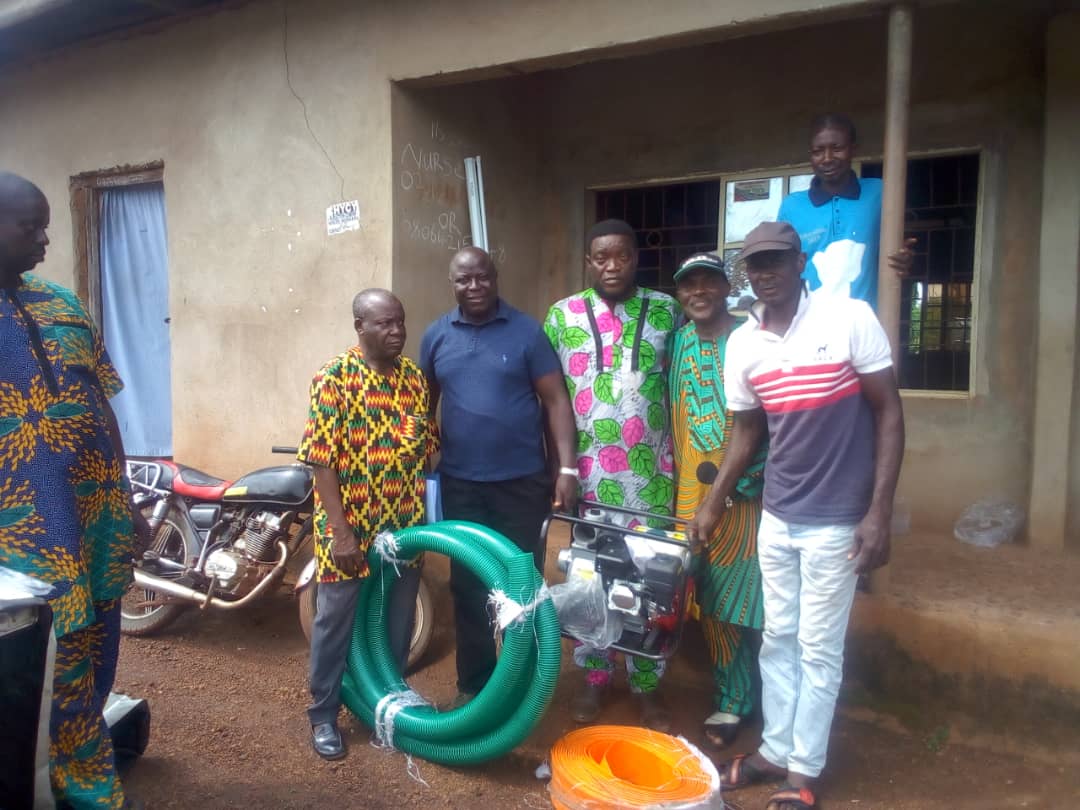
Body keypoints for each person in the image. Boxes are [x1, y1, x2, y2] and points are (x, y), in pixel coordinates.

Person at [687, 222, 904, 810]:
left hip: (838, 518)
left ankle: (803, 770)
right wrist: (712, 505)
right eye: (755, 264)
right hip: (777, 516)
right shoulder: (744, 345)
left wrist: (879, 511)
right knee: (777, 638)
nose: (766, 272)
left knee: (817, 645)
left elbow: (888, 414)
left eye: (777, 261)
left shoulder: (847, 318)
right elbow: (747, 431)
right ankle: (775, 750)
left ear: (799, 261)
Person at [0, 172, 147, 809]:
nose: (45, 238)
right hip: (22, 537)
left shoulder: (61, 302)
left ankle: (82, 778)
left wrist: (128, 497)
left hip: (96, 517)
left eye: (45, 223)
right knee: (35, 665)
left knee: (93, 654)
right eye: (30, 225)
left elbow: (100, 401)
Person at [420, 247, 578, 704]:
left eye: (481, 278)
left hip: (522, 483)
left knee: (521, 583)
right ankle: (474, 684)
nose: (473, 288)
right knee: (468, 584)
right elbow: (425, 405)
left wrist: (565, 467)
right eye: (463, 280)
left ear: (495, 278)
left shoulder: (526, 332)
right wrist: (420, 467)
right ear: (452, 283)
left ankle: (518, 680)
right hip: (461, 484)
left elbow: (556, 402)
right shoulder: (436, 336)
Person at [545, 218, 680, 730]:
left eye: (620, 256)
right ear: (589, 261)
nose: (611, 265)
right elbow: (551, 398)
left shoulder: (668, 312)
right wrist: (557, 468)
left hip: (653, 480)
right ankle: (596, 680)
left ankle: (647, 687)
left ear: (634, 258)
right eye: (601, 257)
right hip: (589, 477)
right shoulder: (561, 317)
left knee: (652, 581)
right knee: (591, 579)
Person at [298, 288, 438, 761]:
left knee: (396, 621)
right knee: (336, 621)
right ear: (360, 326)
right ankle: (323, 715)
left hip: (402, 524)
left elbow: (424, 447)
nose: (397, 331)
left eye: (400, 322)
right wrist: (341, 533)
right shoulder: (333, 378)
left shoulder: (414, 380)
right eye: (385, 324)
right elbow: (320, 461)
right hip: (349, 526)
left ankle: (387, 706)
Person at [669, 252, 768, 750]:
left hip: (745, 490)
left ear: (727, 287)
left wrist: (744, 481)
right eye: (688, 286)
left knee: (747, 597)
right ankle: (733, 697)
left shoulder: (750, 337)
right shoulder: (681, 340)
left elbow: (768, 417)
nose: (698, 292)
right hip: (691, 489)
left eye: (709, 282)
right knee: (705, 598)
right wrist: (680, 493)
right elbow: (675, 416)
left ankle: (772, 701)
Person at [777, 113, 915, 308]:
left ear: (853, 150)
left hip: (865, 326)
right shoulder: (791, 207)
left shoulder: (880, 193)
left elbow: (897, 247)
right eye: (818, 151)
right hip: (810, 326)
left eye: (837, 149)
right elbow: (781, 268)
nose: (827, 158)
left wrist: (903, 258)